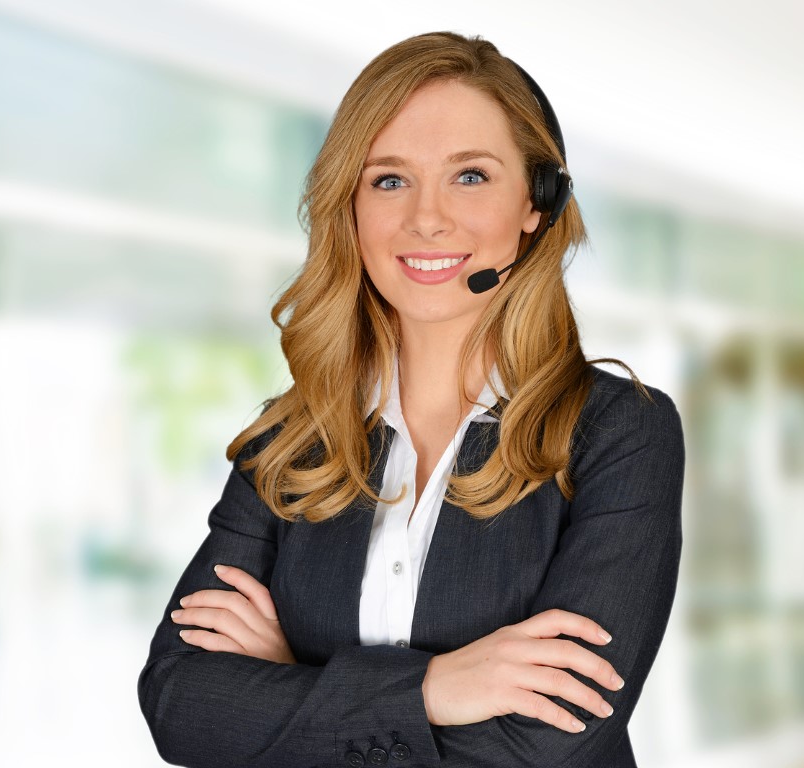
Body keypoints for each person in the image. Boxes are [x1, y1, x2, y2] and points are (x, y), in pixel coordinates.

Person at [138, 31, 683, 768]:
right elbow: (180, 705)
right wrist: (435, 689)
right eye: (389, 179)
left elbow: (547, 743)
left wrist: (291, 684)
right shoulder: (290, 445)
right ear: (351, 206)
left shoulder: (619, 433)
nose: (427, 219)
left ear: (537, 202)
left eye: (470, 177)